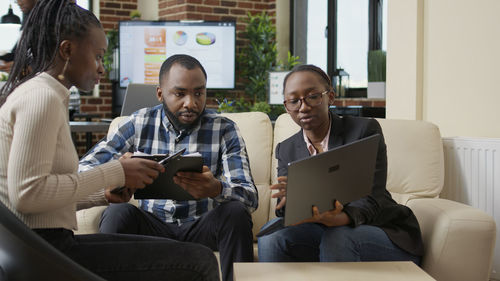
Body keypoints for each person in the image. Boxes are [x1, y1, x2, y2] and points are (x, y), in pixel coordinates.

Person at [0, 1, 219, 280]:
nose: (102, 69)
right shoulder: (41, 97)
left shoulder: (41, 93)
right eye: (98, 57)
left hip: (42, 245)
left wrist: (102, 195)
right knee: (198, 261)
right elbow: (27, 194)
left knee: (183, 253)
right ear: (67, 50)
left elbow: (41, 197)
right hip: (42, 251)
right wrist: (116, 170)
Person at [79, 54, 258, 281]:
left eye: (199, 93)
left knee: (235, 213)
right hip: (152, 227)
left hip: (201, 226)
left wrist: (216, 189)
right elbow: (83, 169)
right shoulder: (139, 122)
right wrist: (116, 173)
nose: (191, 103)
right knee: (118, 213)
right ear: (160, 93)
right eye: (180, 93)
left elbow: (250, 198)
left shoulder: (225, 129)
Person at [257, 64, 423, 264]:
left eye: (312, 96)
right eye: (294, 101)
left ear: (330, 97)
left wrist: (338, 218)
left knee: (338, 236)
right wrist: (291, 204)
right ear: (286, 106)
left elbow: (372, 198)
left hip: (379, 230)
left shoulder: (363, 130)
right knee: (270, 236)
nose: (303, 107)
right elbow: (284, 207)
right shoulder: (286, 149)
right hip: (322, 231)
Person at [0, 0, 38, 73]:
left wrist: (25, 68)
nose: (18, 2)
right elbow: (17, 53)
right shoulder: (27, 19)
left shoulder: (51, 22)